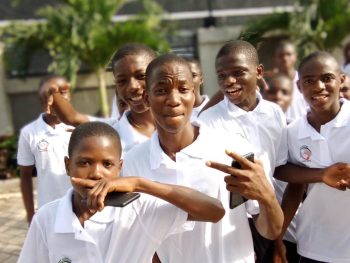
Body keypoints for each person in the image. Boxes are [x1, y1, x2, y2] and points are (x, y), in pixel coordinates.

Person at [123, 54, 283, 262]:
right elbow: (143, 238)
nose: (173, 100)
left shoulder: (233, 148)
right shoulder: (134, 162)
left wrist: (267, 197)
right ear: (147, 98)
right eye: (161, 91)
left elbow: (271, 231)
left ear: (194, 93)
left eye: (183, 89)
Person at [18, 121, 225, 263]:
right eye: (84, 162)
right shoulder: (47, 218)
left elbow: (214, 212)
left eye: (107, 164)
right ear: (67, 165)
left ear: (120, 168)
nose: (96, 173)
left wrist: (140, 183)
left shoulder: (140, 209)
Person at [197, 40, 288, 262]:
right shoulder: (208, 121)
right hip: (234, 224)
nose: (229, 81)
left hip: (271, 216)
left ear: (258, 72)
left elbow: (280, 170)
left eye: (238, 73)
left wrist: (279, 236)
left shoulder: (274, 113)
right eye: (222, 75)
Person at [274, 52, 350, 263]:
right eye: (309, 81)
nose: (318, 87)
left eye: (327, 78)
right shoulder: (293, 132)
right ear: (299, 87)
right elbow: (292, 182)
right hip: (314, 246)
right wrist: (278, 237)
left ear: (341, 80)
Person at [50, 43, 157, 154]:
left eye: (140, 76)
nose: (132, 87)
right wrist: (51, 90)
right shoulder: (110, 131)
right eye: (122, 81)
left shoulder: (174, 126)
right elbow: (72, 118)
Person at [17, 75, 73, 224]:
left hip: (82, 206)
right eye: (49, 93)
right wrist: (30, 213)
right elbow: (25, 176)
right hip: (49, 210)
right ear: (41, 99)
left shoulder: (79, 127)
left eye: (62, 92)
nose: (55, 98)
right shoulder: (29, 132)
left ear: (70, 95)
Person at [272, 40, 307, 121]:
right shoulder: (269, 86)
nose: (285, 58)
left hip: (304, 131)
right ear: (274, 58)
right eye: (280, 55)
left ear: (295, 56)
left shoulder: (305, 81)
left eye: (288, 54)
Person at [184, 58, 209, 122]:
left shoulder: (214, 109)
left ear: (201, 79)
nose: (187, 80)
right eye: (183, 76)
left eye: (193, 75)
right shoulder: (171, 112)